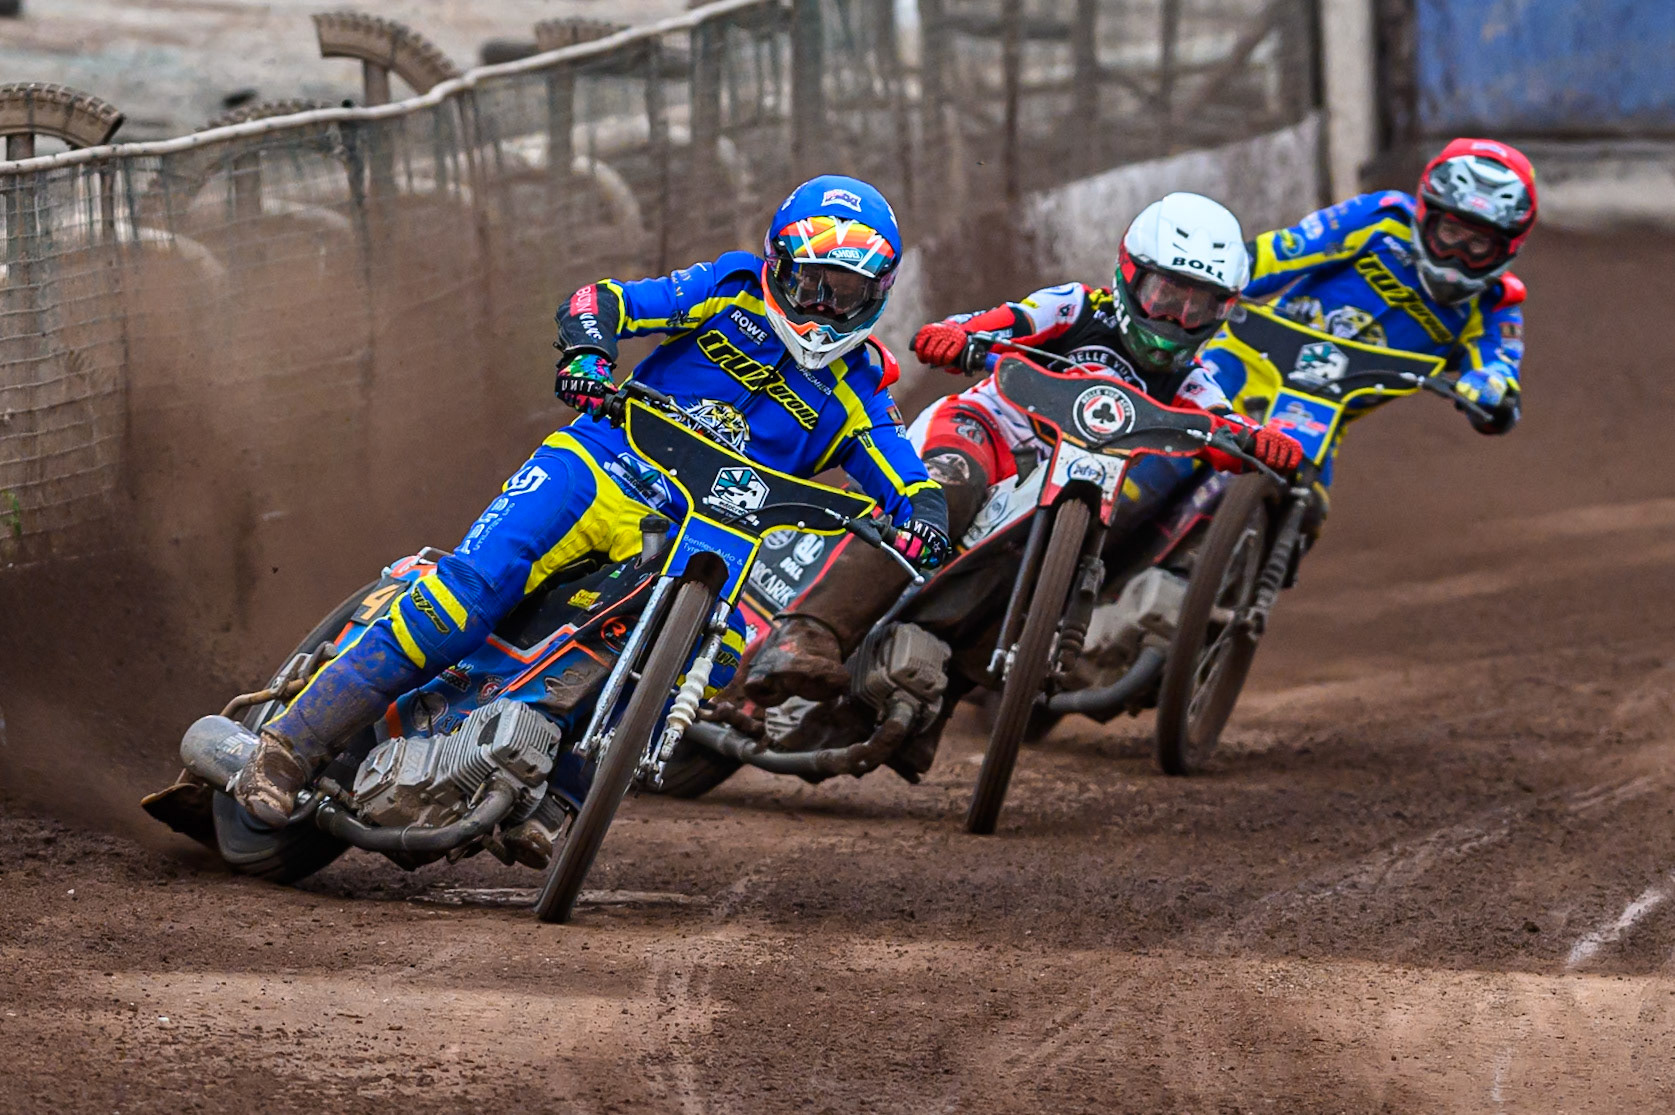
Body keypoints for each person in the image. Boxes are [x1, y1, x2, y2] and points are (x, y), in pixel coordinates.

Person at [233, 175, 951, 827]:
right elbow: (603, 301)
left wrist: (925, 518)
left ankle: (561, 793)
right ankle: (290, 746)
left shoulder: (859, 388)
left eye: (845, 293)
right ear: (778, 265)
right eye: (813, 284)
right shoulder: (729, 288)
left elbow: (909, 477)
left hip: (714, 532)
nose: (824, 309)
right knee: (466, 594)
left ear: (876, 295)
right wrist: (587, 355)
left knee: (710, 661)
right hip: (606, 464)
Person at [742, 191, 1304, 710]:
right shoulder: (1078, 308)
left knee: (1058, 572)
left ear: (1222, 312)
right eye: (1166, 296)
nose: (1176, 319)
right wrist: (960, 336)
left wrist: (1262, 444)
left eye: (1197, 308)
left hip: (1073, 488)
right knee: (947, 492)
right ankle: (807, 633)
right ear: (1129, 276)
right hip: (984, 434)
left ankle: (926, 696)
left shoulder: (1191, 380)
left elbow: (1225, 424)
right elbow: (1010, 320)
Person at [1200, 137, 1536, 504]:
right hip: (1247, 357)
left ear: (1507, 248)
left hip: (1323, 414)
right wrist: (1215, 280)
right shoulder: (1382, 219)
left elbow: (1499, 369)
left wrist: (1490, 389)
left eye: (1478, 244)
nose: (1458, 254)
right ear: (1427, 215)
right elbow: (1282, 251)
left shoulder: (1496, 306)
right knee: (1176, 441)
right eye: (1451, 233)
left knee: (1309, 507)